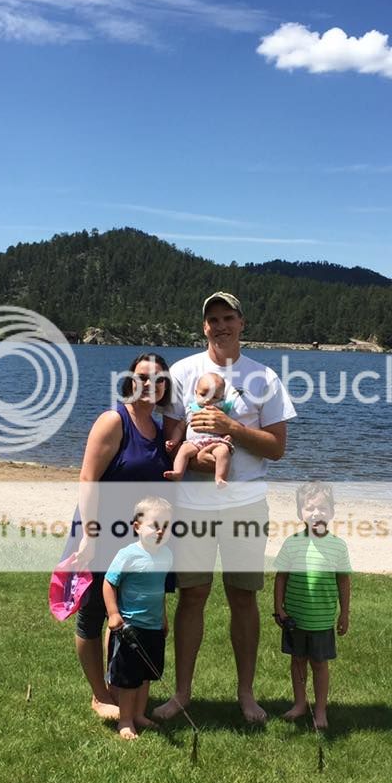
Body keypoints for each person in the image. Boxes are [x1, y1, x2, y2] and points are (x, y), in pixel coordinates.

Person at [154, 291, 296, 724]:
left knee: (243, 596)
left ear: (242, 323)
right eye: (213, 319)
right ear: (204, 327)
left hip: (245, 504)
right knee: (192, 595)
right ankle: (182, 694)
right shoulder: (183, 372)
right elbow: (172, 440)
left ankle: (246, 694)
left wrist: (231, 427)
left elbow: (277, 448)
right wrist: (197, 459)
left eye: (228, 317)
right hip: (193, 505)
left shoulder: (264, 377)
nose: (221, 326)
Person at [66, 353, 171, 720]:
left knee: (124, 613)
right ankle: (99, 695)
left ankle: (117, 688)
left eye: (159, 379)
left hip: (139, 541)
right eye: (143, 377)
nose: (150, 384)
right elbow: (87, 477)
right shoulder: (114, 420)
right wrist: (89, 534)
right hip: (102, 530)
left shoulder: (159, 429)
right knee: (94, 612)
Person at [273, 483, 351, 729]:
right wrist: (279, 609)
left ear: (332, 512)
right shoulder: (292, 543)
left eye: (322, 508)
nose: (316, 513)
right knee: (298, 661)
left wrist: (344, 613)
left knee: (319, 664)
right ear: (300, 513)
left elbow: (343, 581)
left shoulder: (338, 546)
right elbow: (281, 577)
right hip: (295, 618)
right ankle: (299, 703)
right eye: (310, 508)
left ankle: (320, 710)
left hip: (322, 619)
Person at [103, 496, 173, 740]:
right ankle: (125, 720)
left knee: (146, 675)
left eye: (166, 526)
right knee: (129, 677)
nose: (161, 531)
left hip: (153, 627)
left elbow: (160, 590)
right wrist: (114, 614)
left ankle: (140, 715)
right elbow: (109, 583)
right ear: (137, 527)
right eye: (155, 525)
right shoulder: (128, 555)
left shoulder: (166, 555)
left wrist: (164, 617)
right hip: (130, 627)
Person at [163, 371, 234, 488]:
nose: (208, 400)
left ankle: (220, 478)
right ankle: (178, 472)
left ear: (222, 397)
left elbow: (229, 425)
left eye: (214, 397)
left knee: (223, 452)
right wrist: (174, 441)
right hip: (194, 442)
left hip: (216, 441)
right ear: (196, 393)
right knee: (183, 450)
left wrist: (229, 436)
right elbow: (180, 427)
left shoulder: (221, 410)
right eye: (203, 394)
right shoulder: (191, 409)